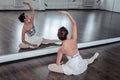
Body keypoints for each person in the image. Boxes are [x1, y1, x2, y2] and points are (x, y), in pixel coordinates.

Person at [48, 11, 99, 75]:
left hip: (72, 67)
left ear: (59, 37)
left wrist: (61, 64)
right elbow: (74, 23)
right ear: (67, 33)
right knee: (88, 61)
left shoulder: (61, 49)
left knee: (50, 67)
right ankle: (94, 57)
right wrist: (67, 13)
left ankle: (69, 69)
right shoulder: (73, 39)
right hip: (80, 63)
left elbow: (58, 63)